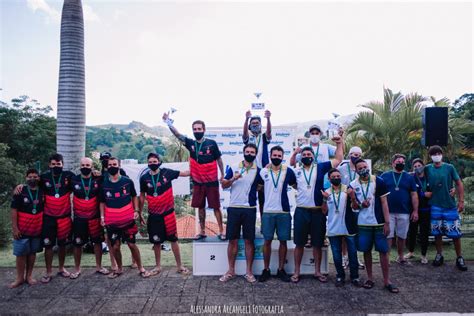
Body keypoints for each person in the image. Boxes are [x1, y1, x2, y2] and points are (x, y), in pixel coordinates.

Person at [291, 133, 344, 283]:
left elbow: (338, 159)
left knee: (317, 243)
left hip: (317, 211)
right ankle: (296, 272)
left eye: (309, 154)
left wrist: (340, 143)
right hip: (301, 210)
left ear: (313, 156)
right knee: (299, 243)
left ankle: (317, 272)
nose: (306, 156)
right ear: (301, 157)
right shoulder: (296, 171)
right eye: (304, 154)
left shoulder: (321, 167)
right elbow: (292, 183)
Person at [162, 114, 225, 240]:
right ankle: (202, 231)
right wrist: (168, 122)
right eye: (195, 129)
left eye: (199, 129)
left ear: (204, 130)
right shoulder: (190, 143)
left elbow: (219, 160)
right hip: (198, 182)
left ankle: (222, 231)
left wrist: (222, 174)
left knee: (216, 207)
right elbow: (178, 135)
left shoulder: (211, 144)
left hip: (211, 181)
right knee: (200, 207)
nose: (197, 131)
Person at [349, 159, 399, 293]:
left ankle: (387, 281)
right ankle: (370, 278)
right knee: (366, 251)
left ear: (368, 167)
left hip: (379, 223)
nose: (363, 169)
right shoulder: (353, 185)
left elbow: (384, 203)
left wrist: (387, 222)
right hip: (363, 223)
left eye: (365, 167)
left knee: (383, 252)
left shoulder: (378, 181)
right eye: (360, 168)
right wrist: (356, 201)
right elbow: (354, 207)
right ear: (356, 170)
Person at [139, 153, 190, 276]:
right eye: (150, 162)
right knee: (156, 242)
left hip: (168, 214)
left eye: (154, 161)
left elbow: (185, 173)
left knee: (174, 240)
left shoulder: (167, 172)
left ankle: (179, 266)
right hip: (154, 215)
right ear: (147, 163)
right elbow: (142, 196)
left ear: (159, 161)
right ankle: (157, 266)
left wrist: (198, 166)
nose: (152, 164)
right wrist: (139, 212)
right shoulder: (144, 178)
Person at [100, 157, 150, 278]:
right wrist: (102, 217)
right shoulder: (103, 184)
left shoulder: (127, 181)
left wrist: (136, 210)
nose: (112, 166)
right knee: (115, 246)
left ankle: (141, 268)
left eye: (114, 164)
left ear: (119, 165)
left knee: (132, 245)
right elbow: (101, 202)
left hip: (128, 220)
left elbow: (134, 196)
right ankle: (119, 269)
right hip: (112, 222)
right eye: (110, 164)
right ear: (107, 167)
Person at [219, 144, 264, 283]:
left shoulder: (259, 171)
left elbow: (260, 187)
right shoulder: (233, 166)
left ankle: (249, 272)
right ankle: (230, 271)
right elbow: (224, 185)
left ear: (255, 154)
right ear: (243, 152)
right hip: (233, 208)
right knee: (232, 240)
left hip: (249, 209)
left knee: (249, 240)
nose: (249, 154)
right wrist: (234, 178)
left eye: (252, 152)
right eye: (247, 151)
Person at [424, 145, 467, 271]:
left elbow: (459, 183)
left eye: (438, 153)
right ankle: (439, 255)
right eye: (433, 153)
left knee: (455, 233)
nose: (436, 155)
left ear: (442, 154)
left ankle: (459, 257)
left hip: (449, 206)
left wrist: (461, 200)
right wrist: (423, 192)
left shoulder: (449, 167)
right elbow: (415, 176)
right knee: (437, 233)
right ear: (430, 156)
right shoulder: (427, 168)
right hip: (435, 206)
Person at [258, 145, 296, 282]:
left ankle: (281, 270)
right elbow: (258, 188)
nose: (276, 158)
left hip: (283, 212)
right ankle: (266, 269)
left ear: (282, 157)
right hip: (268, 212)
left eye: (279, 156)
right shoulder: (263, 171)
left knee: (283, 241)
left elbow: (296, 185)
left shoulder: (288, 171)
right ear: (270, 156)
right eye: (274, 155)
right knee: (267, 241)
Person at [70, 157, 109, 279]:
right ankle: (77, 268)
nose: (85, 167)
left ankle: (99, 266)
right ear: (79, 166)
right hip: (79, 218)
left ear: (92, 167)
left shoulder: (98, 178)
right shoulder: (73, 180)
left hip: (95, 217)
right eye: (83, 165)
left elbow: (114, 178)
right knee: (77, 244)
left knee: (97, 242)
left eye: (88, 165)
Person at [322, 168, 360, 287]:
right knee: (336, 255)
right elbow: (324, 212)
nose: (336, 178)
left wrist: (353, 197)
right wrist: (324, 199)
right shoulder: (326, 192)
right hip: (333, 227)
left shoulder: (348, 190)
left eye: (338, 176)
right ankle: (340, 276)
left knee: (352, 254)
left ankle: (355, 277)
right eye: (334, 176)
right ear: (329, 178)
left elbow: (355, 207)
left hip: (349, 227)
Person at [40, 153, 75, 282]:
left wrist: (95, 173)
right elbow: (30, 186)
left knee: (62, 245)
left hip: (64, 217)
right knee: (48, 245)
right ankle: (48, 272)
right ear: (49, 165)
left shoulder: (68, 176)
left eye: (58, 164)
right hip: (49, 218)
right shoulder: (43, 178)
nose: (56, 166)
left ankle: (61, 268)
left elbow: (83, 180)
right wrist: (19, 187)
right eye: (53, 164)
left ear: (62, 164)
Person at [381, 154, 419, 265]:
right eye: (398, 161)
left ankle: (400, 256)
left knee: (402, 236)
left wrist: (415, 210)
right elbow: (380, 193)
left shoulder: (409, 177)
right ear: (393, 163)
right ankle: (386, 258)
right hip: (388, 212)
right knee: (388, 236)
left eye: (402, 162)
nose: (400, 163)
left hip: (404, 211)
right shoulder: (385, 176)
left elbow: (414, 195)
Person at [9, 168, 44, 288]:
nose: (32, 179)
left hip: (36, 229)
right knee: (20, 254)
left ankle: (29, 276)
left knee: (32, 253)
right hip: (22, 229)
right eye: (30, 177)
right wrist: (15, 228)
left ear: (39, 178)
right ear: (26, 178)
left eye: (35, 176)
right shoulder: (20, 191)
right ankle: (19, 278)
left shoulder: (42, 190)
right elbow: (14, 210)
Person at [337, 146, 365, 270]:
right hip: (344, 204)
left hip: (359, 205)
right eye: (353, 154)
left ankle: (355, 257)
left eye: (358, 155)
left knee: (357, 232)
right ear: (349, 155)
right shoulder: (342, 168)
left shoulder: (363, 169)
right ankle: (344, 257)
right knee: (344, 232)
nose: (355, 156)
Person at [242, 110, 272, 218]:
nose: (255, 125)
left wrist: (268, 119)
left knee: (263, 199)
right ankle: (250, 222)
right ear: (250, 125)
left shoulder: (264, 137)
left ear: (260, 125)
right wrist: (246, 119)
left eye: (257, 123)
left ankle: (264, 224)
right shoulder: (248, 137)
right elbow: (244, 134)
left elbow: (269, 133)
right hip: (250, 170)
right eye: (253, 123)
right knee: (249, 198)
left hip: (263, 170)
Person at [405, 158, 432, 264]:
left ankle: (423, 255)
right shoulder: (411, 177)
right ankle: (411, 252)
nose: (417, 168)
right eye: (415, 166)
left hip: (426, 210)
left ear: (423, 166)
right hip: (414, 210)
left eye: (419, 165)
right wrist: (422, 194)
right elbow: (410, 192)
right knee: (412, 232)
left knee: (424, 233)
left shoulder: (429, 177)